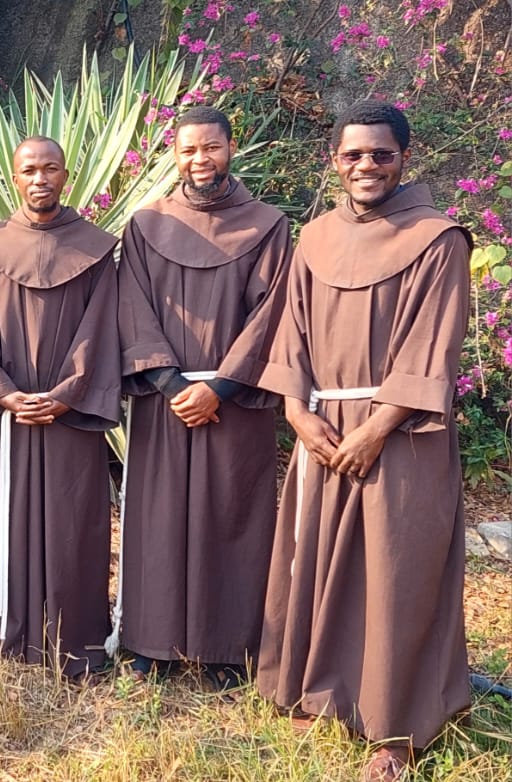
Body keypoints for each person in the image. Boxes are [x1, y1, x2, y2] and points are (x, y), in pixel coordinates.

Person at [220, 100, 471, 781]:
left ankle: (396, 729)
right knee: (317, 560)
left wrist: (376, 428)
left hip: (400, 432)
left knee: (395, 571)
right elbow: (292, 333)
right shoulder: (316, 237)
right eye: (353, 155)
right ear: (334, 161)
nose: (367, 166)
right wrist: (297, 413)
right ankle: (321, 691)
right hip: (324, 427)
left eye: (381, 154)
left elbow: (432, 349)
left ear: (404, 158)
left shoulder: (438, 239)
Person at [111, 106, 291, 686]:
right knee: (158, 517)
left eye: (211, 147)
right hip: (164, 397)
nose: (200, 160)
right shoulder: (146, 224)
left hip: (234, 399)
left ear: (230, 148)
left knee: (232, 516)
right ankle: (151, 643)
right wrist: (171, 383)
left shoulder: (268, 225)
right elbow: (132, 304)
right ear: (174, 154)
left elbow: (274, 314)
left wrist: (220, 387)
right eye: (188, 150)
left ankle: (226, 649)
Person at [0, 136, 121, 680]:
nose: (40, 178)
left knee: (70, 523)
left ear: (65, 176)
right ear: (14, 177)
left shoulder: (95, 248)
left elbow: (100, 328)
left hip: (69, 413)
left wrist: (67, 393)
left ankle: (71, 637)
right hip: (6, 412)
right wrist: (2, 392)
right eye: (29, 170)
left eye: (50, 168)